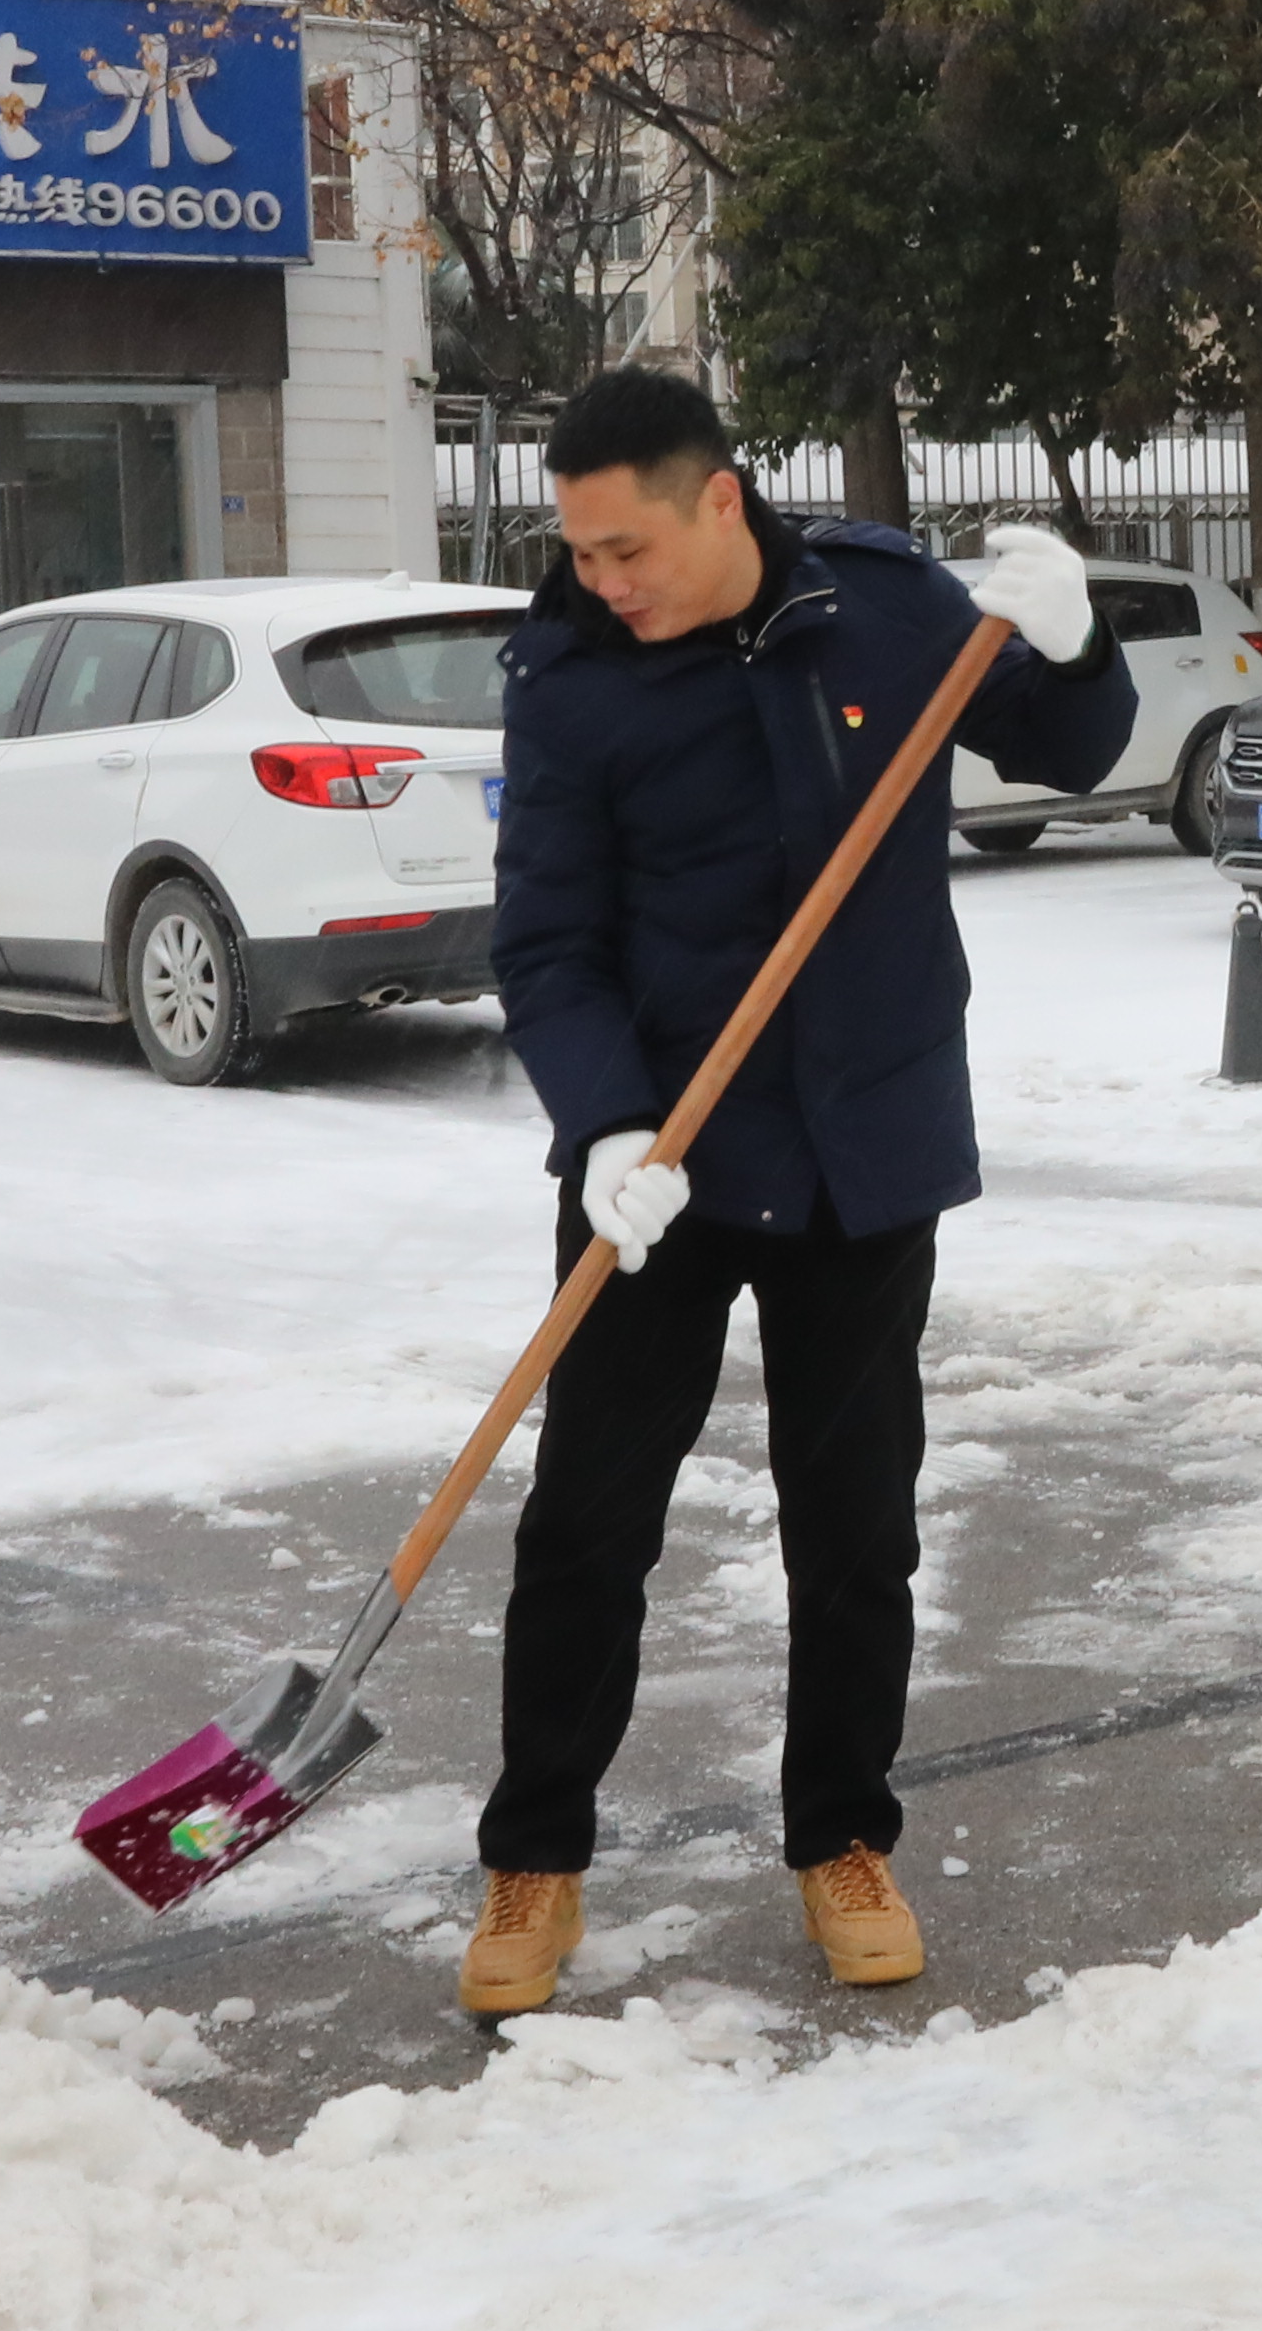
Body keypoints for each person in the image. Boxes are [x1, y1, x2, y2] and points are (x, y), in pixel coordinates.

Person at [460, 370, 1131, 2022]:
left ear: (722, 502)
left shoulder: (892, 615)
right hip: (662, 1170)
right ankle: (535, 1857)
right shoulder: (568, 682)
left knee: (857, 1530)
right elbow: (544, 942)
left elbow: (1071, 742)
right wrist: (608, 1128)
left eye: (626, 547)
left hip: (861, 1154)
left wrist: (1071, 636)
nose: (602, 580)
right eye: (580, 552)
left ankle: (843, 1836)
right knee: (589, 1530)